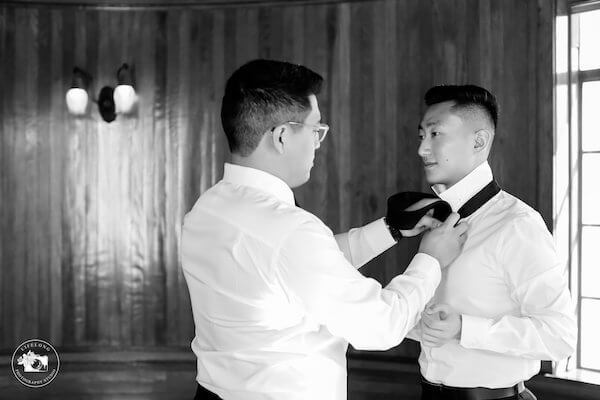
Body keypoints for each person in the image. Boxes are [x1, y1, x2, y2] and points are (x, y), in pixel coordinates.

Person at [180, 59, 468, 400]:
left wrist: (389, 230)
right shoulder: (288, 231)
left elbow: (291, 271)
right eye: (315, 129)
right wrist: (430, 259)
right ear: (283, 135)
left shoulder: (208, 208)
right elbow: (381, 326)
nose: (318, 143)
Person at [409, 84, 577, 400]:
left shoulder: (518, 226)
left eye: (435, 134)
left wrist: (465, 329)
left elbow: (560, 336)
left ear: (479, 140)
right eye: (421, 136)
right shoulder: (432, 222)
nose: (422, 149)